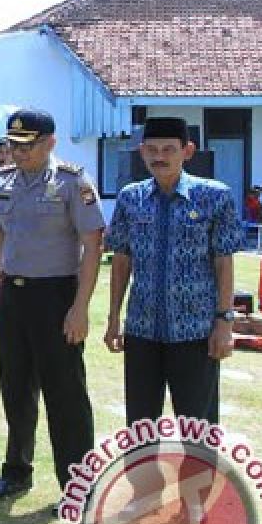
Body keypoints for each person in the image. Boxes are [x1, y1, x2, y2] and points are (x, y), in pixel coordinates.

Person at [0, 109, 104, 503]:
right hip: (13, 295)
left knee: (65, 394)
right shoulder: (3, 181)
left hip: (56, 296)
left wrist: (80, 307)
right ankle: (16, 470)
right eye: (13, 144)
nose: (18, 152)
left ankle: (77, 486)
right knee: (15, 387)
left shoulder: (72, 182)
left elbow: (93, 243)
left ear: (50, 142)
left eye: (27, 145)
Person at [104, 116, 243, 430]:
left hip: (195, 332)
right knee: (140, 428)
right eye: (152, 149)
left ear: (188, 151)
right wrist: (114, 318)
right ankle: (145, 481)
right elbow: (121, 260)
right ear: (142, 152)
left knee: (198, 428)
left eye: (169, 149)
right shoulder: (130, 198)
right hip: (142, 330)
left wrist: (224, 322)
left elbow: (224, 262)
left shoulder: (215, 196)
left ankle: (199, 481)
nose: (159, 156)